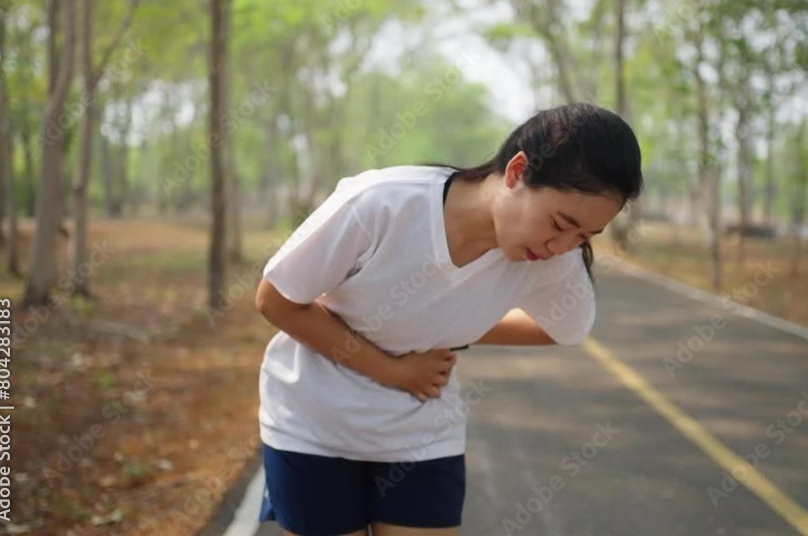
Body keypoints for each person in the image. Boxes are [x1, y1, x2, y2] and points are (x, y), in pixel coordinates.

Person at [254, 102, 643, 536]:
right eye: (559, 223)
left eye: (585, 236)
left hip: (421, 434)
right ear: (517, 171)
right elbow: (276, 300)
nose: (561, 247)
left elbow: (564, 328)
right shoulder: (382, 204)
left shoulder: (551, 258)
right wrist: (393, 370)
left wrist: (446, 324)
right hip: (313, 425)